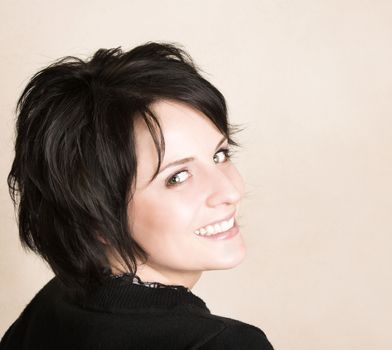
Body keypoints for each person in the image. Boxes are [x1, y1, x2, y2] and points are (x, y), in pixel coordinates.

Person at [0, 41, 274, 349]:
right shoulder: (223, 344)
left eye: (220, 154)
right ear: (97, 216)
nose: (230, 190)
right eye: (177, 177)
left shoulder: (53, 306)